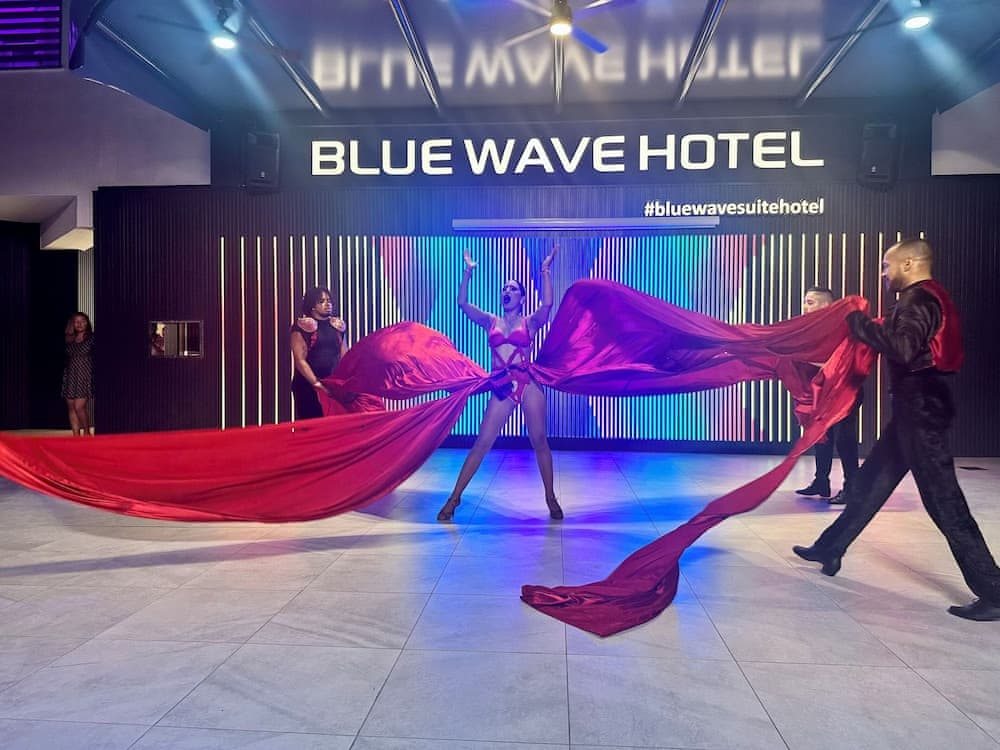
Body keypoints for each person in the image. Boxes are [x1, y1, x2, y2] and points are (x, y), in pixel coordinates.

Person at [793, 238, 1000, 621]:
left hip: (922, 411)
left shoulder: (918, 300)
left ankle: (994, 591)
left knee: (945, 503)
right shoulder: (924, 298)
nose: (884, 274)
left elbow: (903, 348)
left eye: (887, 266)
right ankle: (830, 547)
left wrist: (856, 323)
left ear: (908, 263)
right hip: (914, 409)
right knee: (869, 485)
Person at [437, 246, 561, 522]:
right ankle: (454, 498)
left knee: (539, 440)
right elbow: (463, 304)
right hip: (502, 385)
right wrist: (468, 272)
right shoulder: (490, 320)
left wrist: (545, 270)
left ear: (521, 298)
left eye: (513, 289)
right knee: (482, 442)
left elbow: (548, 305)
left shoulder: (530, 322)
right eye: (504, 288)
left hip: (527, 382)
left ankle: (550, 497)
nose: (507, 291)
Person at [794, 286, 861, 504]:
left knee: (844, 438)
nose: (804, 307)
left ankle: (852, 488)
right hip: (823, 392)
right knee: (822, 436)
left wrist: (802, 356)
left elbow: (839, 363)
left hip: (845, 391)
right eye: (804, 301)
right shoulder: (810, 329)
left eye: (810, 302)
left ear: (826, 305)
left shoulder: (842, 327)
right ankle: (821, 481)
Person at [290, 286, 347, 420]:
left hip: (331, 384)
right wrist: (317, 384)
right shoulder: (301, 326)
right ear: (312, 306)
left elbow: (344, 355)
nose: (328, 304)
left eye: (329, 300)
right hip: (307, 385)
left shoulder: (337, 326)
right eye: (322, 301)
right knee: (312, 425)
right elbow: (300, 360)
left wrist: (344, 381)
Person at [62, 312, 94, 436]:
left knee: (79, 407)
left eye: (83, 321)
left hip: (85, 375)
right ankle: (75, 436)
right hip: (70, 375)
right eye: (76, 321)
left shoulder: (92, 338)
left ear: (87, 323)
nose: (80, 324)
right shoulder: (69, 339)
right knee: (71, 407)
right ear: (72, 324)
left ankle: (86, 433)